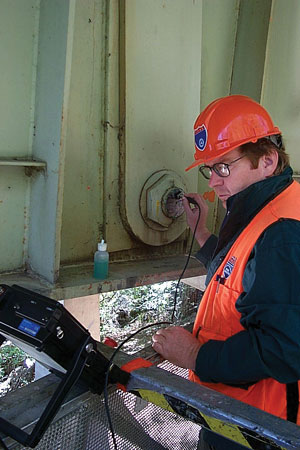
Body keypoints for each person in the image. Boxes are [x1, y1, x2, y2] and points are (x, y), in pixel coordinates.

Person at [152, 95, 300, 448]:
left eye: (223, 167)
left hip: (263, 428)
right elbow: (243, 276)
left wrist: (194, 357)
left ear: (267, 160)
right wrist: (203, 235)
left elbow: (284, 348)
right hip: (240, 416)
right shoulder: (272, 208)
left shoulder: (281, 233)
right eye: (209, 169)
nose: (214, 181)